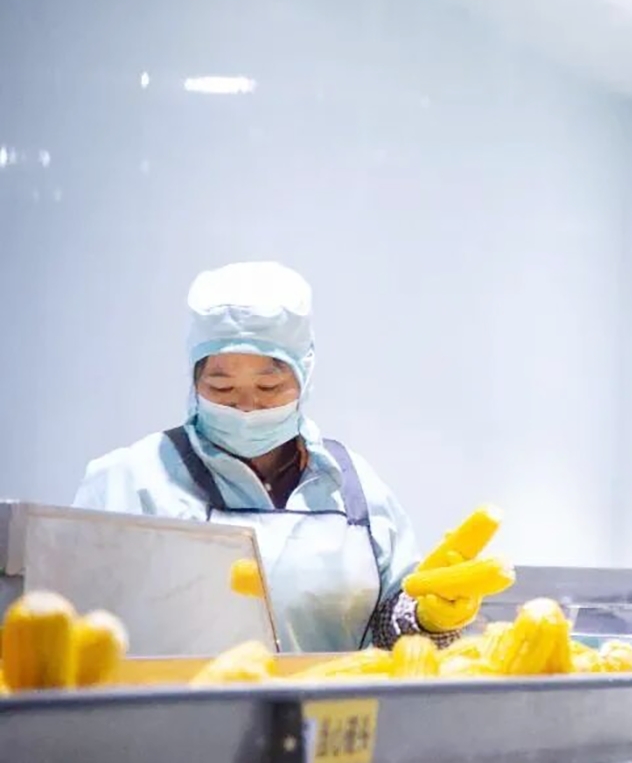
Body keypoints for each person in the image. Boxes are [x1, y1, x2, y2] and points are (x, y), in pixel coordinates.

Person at [73, 262, 482, 653]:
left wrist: (427, 619)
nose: (246, 407)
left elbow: (390, 628)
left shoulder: (354, 487)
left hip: (332, 703)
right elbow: (78, 635)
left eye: (269, 387)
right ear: (194, 381)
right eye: (221, 387)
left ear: (305, 377)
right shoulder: (131, 481)